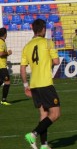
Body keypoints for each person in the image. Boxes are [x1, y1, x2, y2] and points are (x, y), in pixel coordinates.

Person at [20, 19, 60, 149]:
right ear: (43, 29)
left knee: (43, 114)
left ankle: (44, 145)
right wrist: (49, 63)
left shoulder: (27, 46)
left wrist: (26, 86)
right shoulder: (48, 43)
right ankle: (33, 134)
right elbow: (56, 61)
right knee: (55, 114)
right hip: (46, 84)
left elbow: (22, 68)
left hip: (34, 84)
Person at [0, 28, 12, 105]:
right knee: (7, 82)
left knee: (1, 81)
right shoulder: (1, 42)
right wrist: (8, 53)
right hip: (1, 66)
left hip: (2, 65)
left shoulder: (2, 42)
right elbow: (0, 54)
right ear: (5, 34)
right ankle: (4, 100)